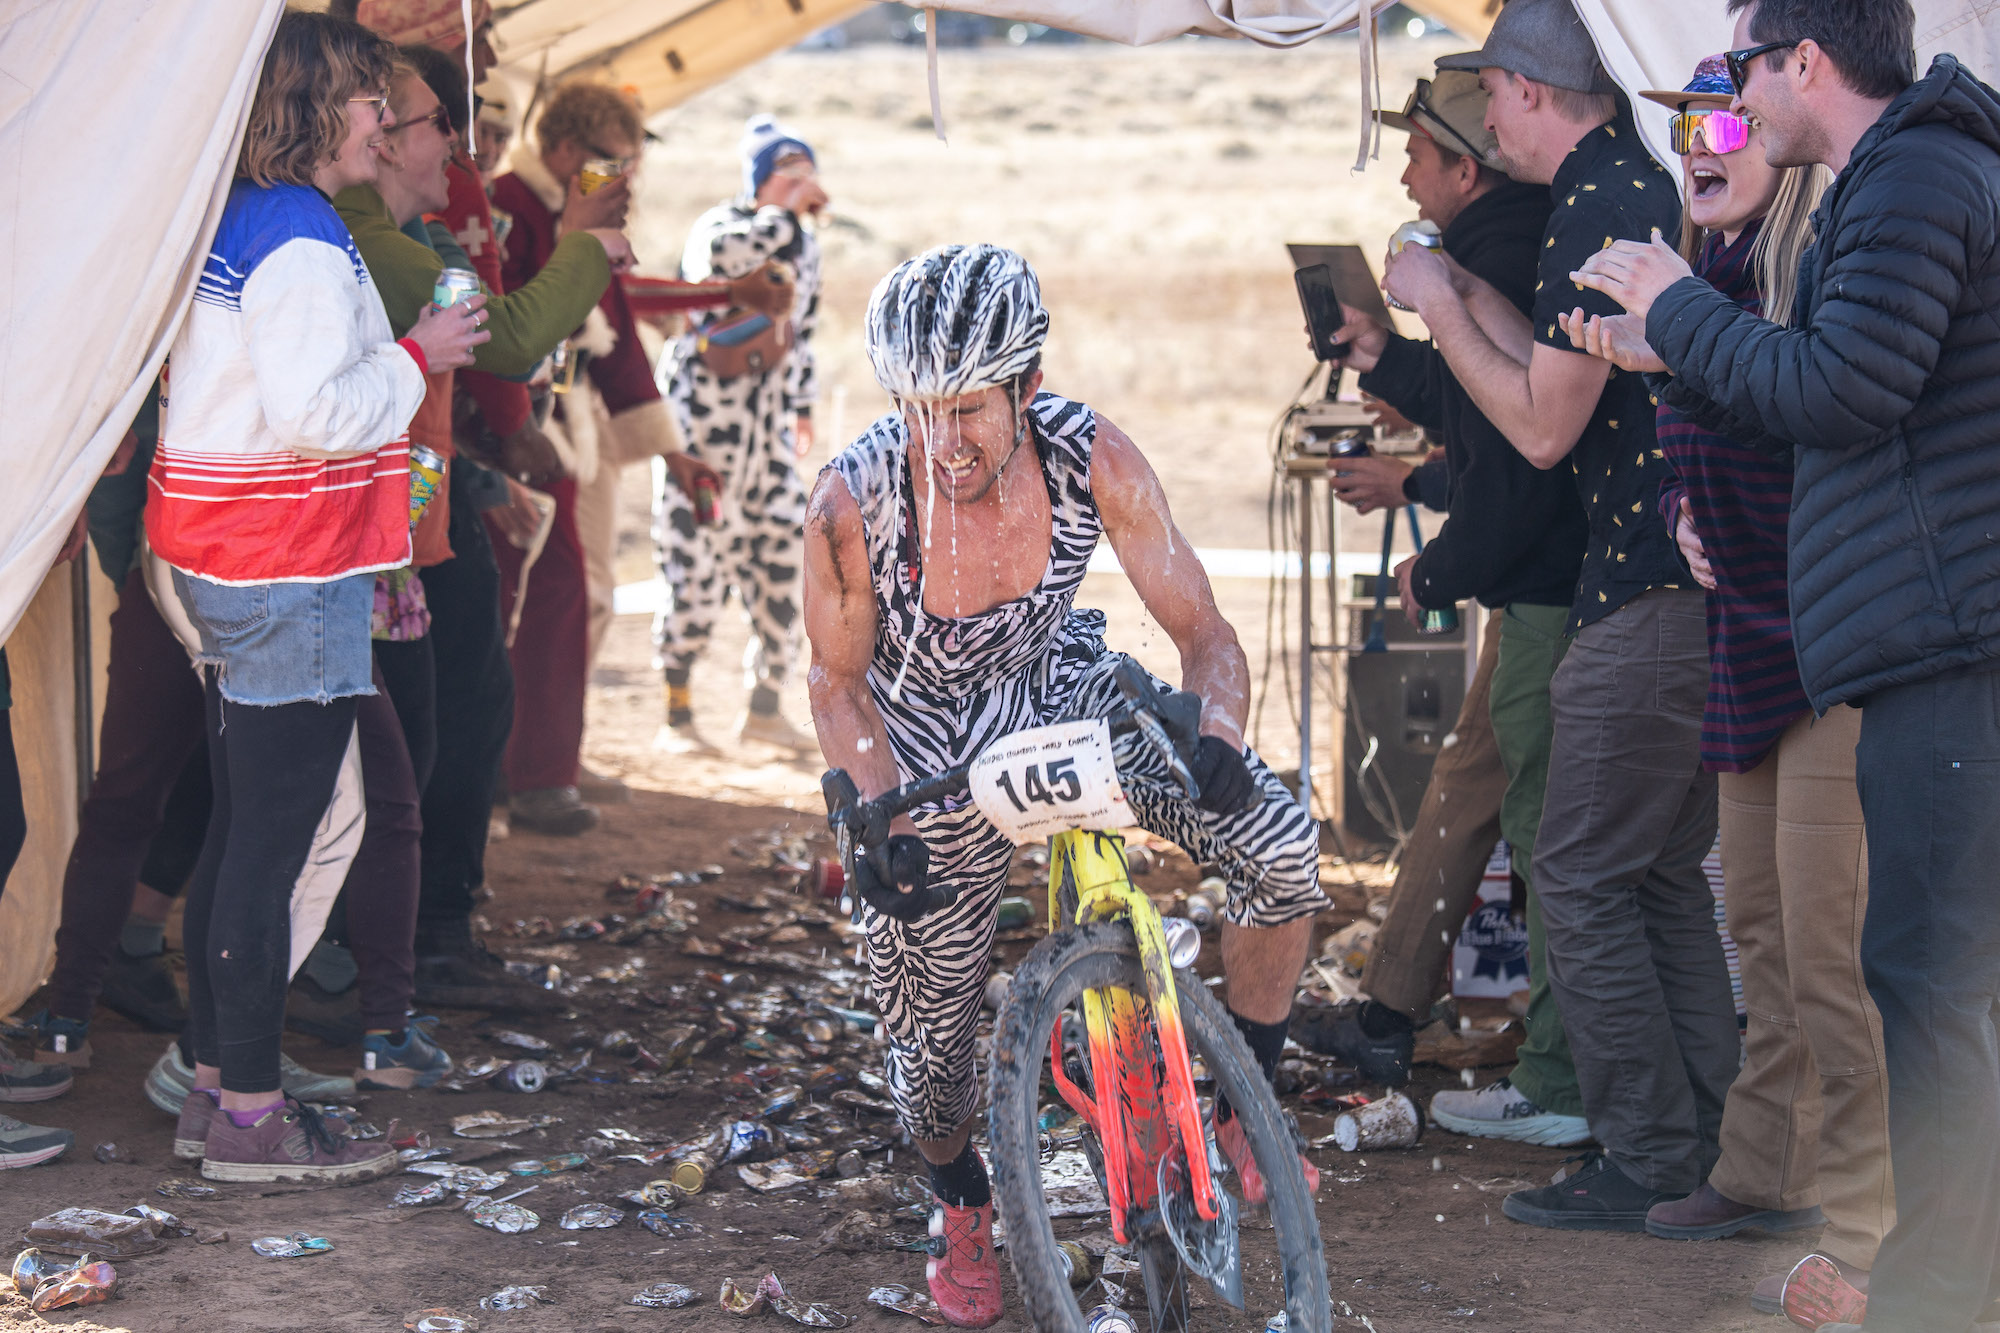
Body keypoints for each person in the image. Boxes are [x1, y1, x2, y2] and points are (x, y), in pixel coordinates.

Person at [805, 245, 1327, 1327]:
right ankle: (960, 1203)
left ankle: (1237, 1103)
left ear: (1026, 386)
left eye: (968, 411)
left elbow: (1204, 633)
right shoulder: (851, 501)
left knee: (1275, 844)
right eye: (918, 411)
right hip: (921, 734)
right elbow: (836, 681)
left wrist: (1220, 734)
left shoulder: (1094, 457)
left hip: (1058, 685)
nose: (940, 442)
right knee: (933, 1062)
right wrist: (870, 804)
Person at [1574, 1, 2000, 1323]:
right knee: (1923, 974)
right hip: (1927, 634)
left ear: (1805, 62)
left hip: (1954, 638)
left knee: (1925, 981)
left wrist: (1678, 311)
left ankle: (1933, 1289)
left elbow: (1844, 389)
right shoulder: (1893, 176)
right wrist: (1682, 355)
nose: (1734, 104)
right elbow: (1823, 391)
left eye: (1747, 70)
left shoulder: (1917, 174)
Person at [1386, 0, 1740, 1227]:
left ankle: (1646, 1152)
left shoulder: (1597, 200)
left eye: (1489, 98)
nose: (1483, 122)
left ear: (1525, 92)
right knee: (1648, 878)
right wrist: (1451, 288)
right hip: (1667, 588)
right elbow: (1551, 366)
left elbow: (1541, 426)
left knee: (1581, 875)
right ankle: (1707, 1148)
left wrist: (1435, 302)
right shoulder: (1619, 186)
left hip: (1640, 591)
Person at [1563, 54, 1893, 1313]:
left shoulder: (1799, 279)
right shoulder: (1714, 278)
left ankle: (1868, 1221)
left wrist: (1668, 363)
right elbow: (1734, 455)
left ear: (1777, 137)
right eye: (1684, 123)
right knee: (1756, 929)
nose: (1698, 141)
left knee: (1829, 956)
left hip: (1834, 655)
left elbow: (1817, 422)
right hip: (1755, 642)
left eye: (1722, 119)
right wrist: (1690, 517)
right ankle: (1764, 1171)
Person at [144, 10, 484, 1182]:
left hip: (239, 560)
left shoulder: (252, 221)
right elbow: (312, 415)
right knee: (277, 844)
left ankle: (213, 1089)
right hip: (278, 568)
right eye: (362, 96)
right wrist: (417, 353)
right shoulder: (293, 237)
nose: (381, 116)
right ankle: (247, 1111)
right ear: (311, 110)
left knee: (253, 829)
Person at [1295, 72, 1587, 1098]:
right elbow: (1474, 413)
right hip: (1541, 595)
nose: (1406, 178)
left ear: (1469, 165)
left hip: (1552, 596)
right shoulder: (1502, 240)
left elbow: (1510, 464)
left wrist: (1440, 568)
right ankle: (1388, 1009)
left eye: (1418, 157)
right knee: (1471, 790)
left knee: (1552, 835)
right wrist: (1385, 358)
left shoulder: (1498, 252)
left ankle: (1561, 1079)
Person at [489, 81, 716, 833]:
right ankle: (522, 765)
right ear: (563, 151)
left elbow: (611, 325)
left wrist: (672, 454)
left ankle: (543, 760)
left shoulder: (558, 210)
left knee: (576, 595)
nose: (623, 178)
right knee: (546, 597)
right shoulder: (511, 210)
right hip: (509, 431)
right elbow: (513, 330)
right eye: (609, 161)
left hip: (559, 425)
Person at [655, 114, 827, 756]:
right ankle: (677, 712)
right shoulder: (720, 228)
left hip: (769, 432)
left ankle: (764, 707)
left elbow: (802, 329)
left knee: (784, 555)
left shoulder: (805, 243)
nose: (802, 183)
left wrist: (803, 406)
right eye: (788, 172)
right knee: (693, 559)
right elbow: (726, 263)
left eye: (807, 171)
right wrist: (783, 214)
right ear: (760, 179)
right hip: (702, 429)